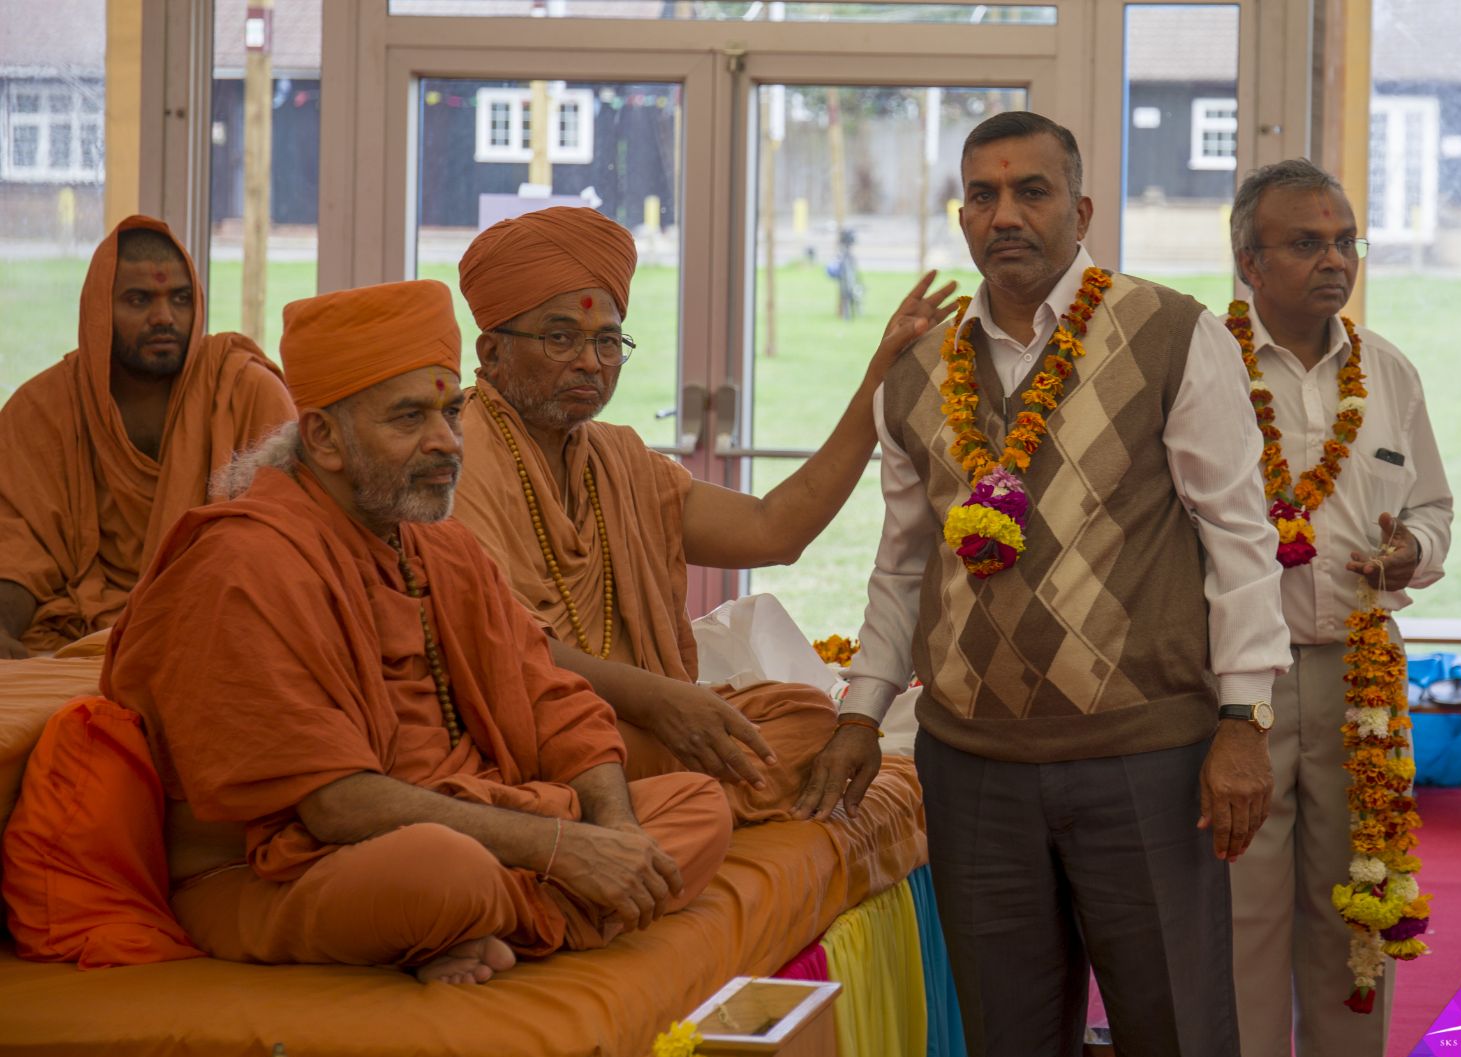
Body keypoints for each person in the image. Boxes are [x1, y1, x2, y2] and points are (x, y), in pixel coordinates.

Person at [100, 279, 732, 985]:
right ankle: (497, 911)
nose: (445, 443)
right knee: (444, 874)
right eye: (409, 419)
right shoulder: (246, 565)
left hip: (487, 819)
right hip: (290, 868)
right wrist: (559, 848)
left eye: (451, 412)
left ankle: (485, 924)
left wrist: (613, 830)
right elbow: (336, 803)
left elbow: (558, 701)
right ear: (322, 437)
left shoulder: (440, 547)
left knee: (695, 804)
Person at [835, 110, 1293, 1057]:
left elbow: (1239, 535)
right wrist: (860, 712)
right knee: (1007, 1041)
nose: (1006, 214)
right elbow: (904, 558)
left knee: (1174, 1031)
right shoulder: (917, 366)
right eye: (984, 195)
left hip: (1146, 758)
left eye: (1031, 191)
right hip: (970, 764)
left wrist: (1245, 721)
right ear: (963, 217)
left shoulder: (1172, 332)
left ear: (1080, 209)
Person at [453, 207, 955, 823]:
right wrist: (662, 701)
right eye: (561, 338)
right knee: (675, 747)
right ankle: (614, 805)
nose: (590, 361)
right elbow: (503, 644)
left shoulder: (616, 458)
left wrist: (878, 379)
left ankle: (624, 805)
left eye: (608, 341)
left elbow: (775, 529)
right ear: (491, 351)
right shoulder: (455, 455)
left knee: (805, 720)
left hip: (628, 723)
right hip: (536, 722)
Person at [1225, 159, 1452, 1057]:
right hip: (1240, 685)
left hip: (1361, 674)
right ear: (1249, 261)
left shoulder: (1387, 371)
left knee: (1360, 904)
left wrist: (1414, 551)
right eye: (1307, 242)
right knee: (1240, 913)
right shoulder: (1204, 365)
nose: (1335, 259)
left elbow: (1434, 509)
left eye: (1345, 240)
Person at [0, 215, 294, 658]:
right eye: (139, 300)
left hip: (216, 626)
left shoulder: (245, 391)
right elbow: (18, 545)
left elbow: (288, 541)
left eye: (179, 299)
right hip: (73, 636)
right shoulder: (43, 409)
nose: (164, 317)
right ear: (100, 310)